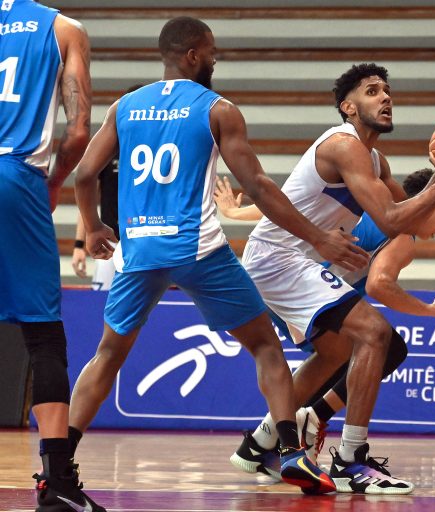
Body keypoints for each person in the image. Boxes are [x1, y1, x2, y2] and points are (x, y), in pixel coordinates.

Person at [67, 16, 370, 496]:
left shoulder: (125, 106)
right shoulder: (218, 109)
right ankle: (290, 452)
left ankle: (59, 462)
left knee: (107, 355)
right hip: (198, 250)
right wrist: (317, 237)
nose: (215, 58)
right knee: (265, 347)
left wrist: (92, 226)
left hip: (139, 250)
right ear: (192, 55)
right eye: (211, 51)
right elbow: (259, 187)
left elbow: (84, 174)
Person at [238, 62, 435, 494]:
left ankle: (261, 443)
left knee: (337, 352)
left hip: (291, 260)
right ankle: (351, 460)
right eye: (372, 91)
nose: (385, 97)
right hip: (278, 258)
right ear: (348, 107)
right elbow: (390, 218)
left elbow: (407, 221)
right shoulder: (343, 145)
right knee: (375, 333)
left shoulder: (374, 160)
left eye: (387, 90)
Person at [217, 169, 435, 477]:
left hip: (275, 286)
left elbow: (290, 208)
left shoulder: (367, 205)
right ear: (425, 203)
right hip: (304, 289)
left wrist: (234, 213)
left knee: (338, 357)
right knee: (385, 346)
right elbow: (379, 285)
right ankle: (313, 423)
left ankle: (261, 442)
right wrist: (430, 310)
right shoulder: (404, 237)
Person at [0, 1, 102, 510]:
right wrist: (54, 181)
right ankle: (56, 479)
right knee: (43, 332)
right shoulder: (62, 28)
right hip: (15, 176)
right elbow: (79, 131)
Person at [72, 84, 143, 291]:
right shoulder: (107, 149)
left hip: (144, 241)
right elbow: (89, 197)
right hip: (110, 243)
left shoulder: (155, 150)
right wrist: (79, 244)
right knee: (102, 304)